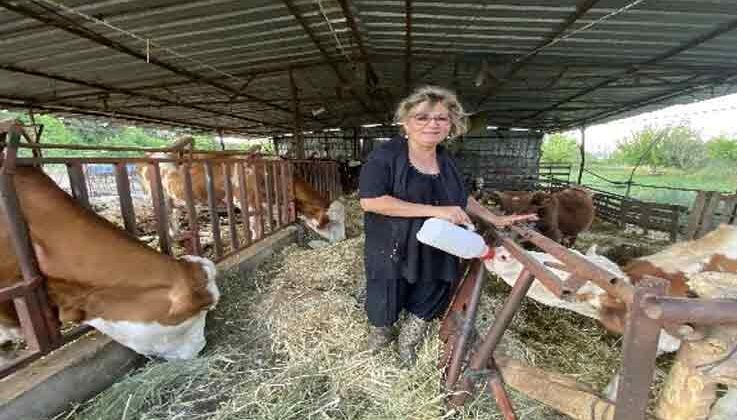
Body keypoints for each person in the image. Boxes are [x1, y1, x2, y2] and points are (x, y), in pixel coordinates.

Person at [358, 85, 537, 364]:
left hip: (441, 245)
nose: (432, 124)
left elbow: (460, 197)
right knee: (386, 300)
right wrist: (436, 211)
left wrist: (494, 218)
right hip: (394, 246)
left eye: (441, 118)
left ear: (451, 124)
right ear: (405, 122)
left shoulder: (447, 160)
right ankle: (379, 346)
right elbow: (371, 202)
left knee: (430, 296)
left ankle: (408, 346)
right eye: (422, 117)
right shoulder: (385, 157)